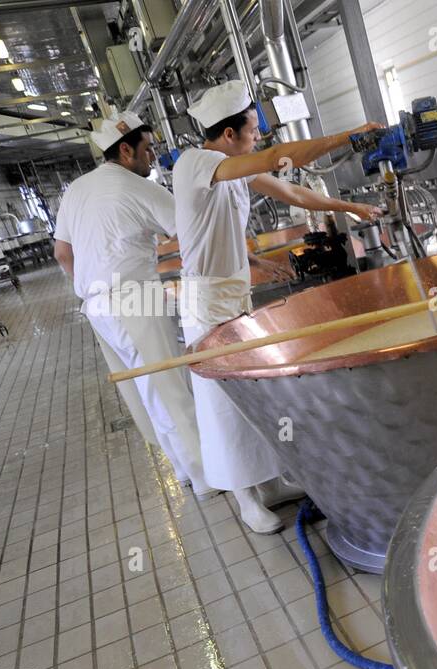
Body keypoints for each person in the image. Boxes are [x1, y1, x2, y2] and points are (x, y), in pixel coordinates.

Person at [175, 80, 383, 534]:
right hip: (207, 302)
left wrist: (351, 206)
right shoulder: (197, 162)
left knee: (254, 390)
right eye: (252, 130)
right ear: (228, 135)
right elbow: (276, 159)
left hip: (233, 293)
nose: (258, 138)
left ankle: (269, 481)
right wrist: (349, 137)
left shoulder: (233, 167)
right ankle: (245, 499)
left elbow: (294, 193)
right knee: (222, 400)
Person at [54, 112, 208, 495]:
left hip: (96, 307)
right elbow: (194, 236)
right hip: (135, 300)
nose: (153, 156)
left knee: (145, 389)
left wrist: (96, 288)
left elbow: (62, 253)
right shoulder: (142, 187)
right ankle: (207, 477)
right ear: (125, 150)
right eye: (148, 148)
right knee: (170, 386)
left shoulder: (76, 189)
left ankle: (183, 468)